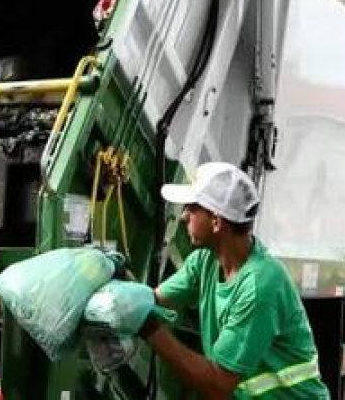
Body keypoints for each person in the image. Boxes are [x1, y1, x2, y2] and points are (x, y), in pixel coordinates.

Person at [90, 162, 330, 399]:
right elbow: (155, 299)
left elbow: (218, 385)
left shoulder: (260, 286)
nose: (184, 216)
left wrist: (148, 327)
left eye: (192, 208)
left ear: (216, 221)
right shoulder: (205, 260)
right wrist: (112, 285)